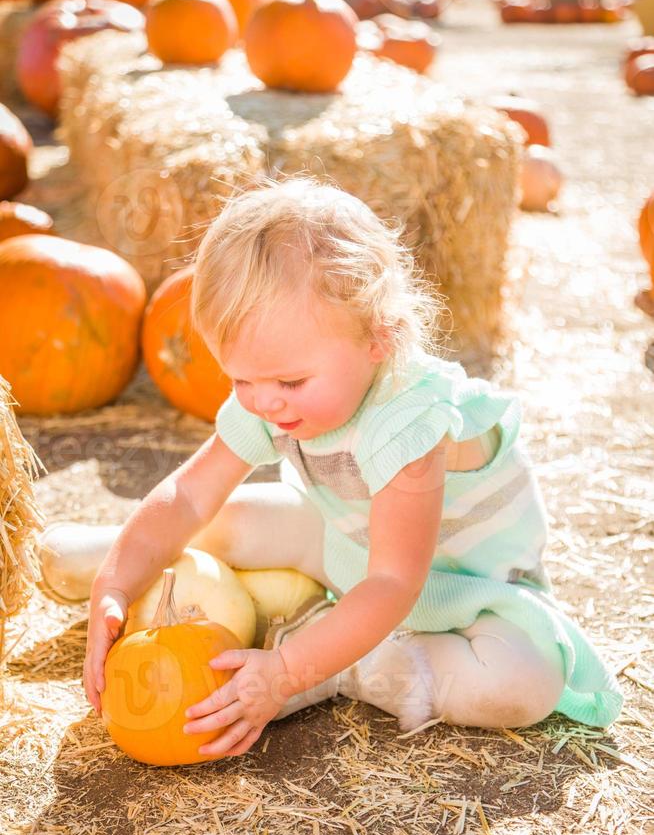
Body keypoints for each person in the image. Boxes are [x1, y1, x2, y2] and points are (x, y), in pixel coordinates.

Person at [40, 177, 623, 759]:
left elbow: (395, 583)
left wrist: (288, 671)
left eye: (288, 382)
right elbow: (190, 496)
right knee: (231, 515)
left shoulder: (410, 420)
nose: (265, 402)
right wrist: (117, 580)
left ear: (380, 336)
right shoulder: (283, 392)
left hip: (461, 594)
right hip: (347, 541)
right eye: (241, 379)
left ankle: (344, 668)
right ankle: (111, 558)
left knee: (520, 686)